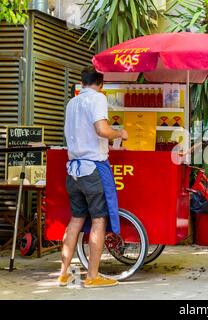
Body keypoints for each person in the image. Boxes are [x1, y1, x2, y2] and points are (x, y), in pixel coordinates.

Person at [57, 67, 128, 288]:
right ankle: (92, 276)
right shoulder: (97, 98)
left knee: (76, 219)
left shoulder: (73, 102)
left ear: (82, 82)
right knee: (98, 220)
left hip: (73, 170)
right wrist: (119, 133)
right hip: (93, 168)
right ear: (101, 83)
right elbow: (101, 129)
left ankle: (63, 274)